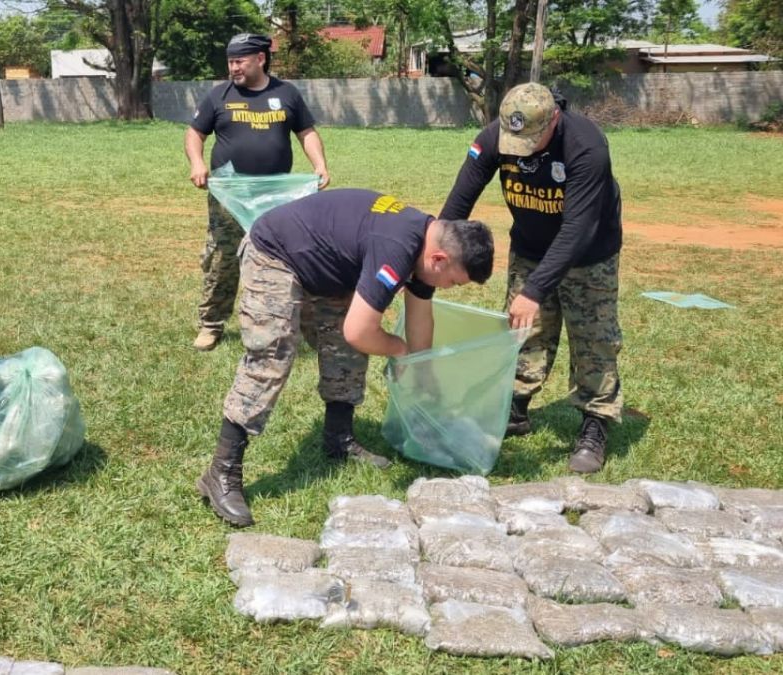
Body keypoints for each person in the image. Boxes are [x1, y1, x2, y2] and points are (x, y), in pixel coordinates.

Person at [196, 189, 494, 527]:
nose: (450, 287)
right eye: (453, 282)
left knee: (345, 348)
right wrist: (399, 349)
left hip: (325, 266)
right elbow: (361, 331)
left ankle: (339, 438)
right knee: (273, 353)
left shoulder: (425, 246)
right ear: (438, 259)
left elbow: (420, 317)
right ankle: (221, 472)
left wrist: (422, 372)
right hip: (275, 254)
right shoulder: (397, 247)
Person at [439, 82, 624, 474]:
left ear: (554, 118)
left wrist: (536, 289)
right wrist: (431, 252)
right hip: (529, 245)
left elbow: (577, 229)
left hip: (589, 252)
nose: (519, 148)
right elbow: (460, 201)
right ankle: (516, 408)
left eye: (531, 140)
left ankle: (596, 419)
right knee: (523, 332)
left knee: (594, 339)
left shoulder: (586, 147)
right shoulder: (495, 137)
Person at [184, 33, 330, 352]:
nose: (233, 68)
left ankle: (299, 324)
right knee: (222, 257)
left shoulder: (286, 93)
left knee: (286, 258)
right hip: (230, 195)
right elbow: (195, 133)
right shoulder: (218, 95)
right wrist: (197, 162)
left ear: (260, 59)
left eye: (240, 61)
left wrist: (320, 165)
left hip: (277, 196)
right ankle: (211, 325)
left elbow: (306, 132)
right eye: (230, 62)